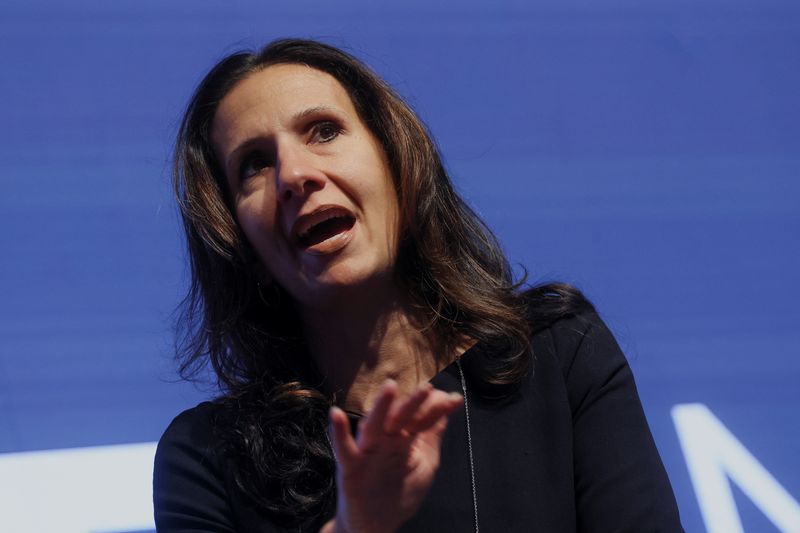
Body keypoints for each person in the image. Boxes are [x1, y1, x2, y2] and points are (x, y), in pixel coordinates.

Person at [153, 38, 684, 532]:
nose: (294, 174)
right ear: (236, 238)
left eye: (324, 130)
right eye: (255, 164)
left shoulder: (560, 355)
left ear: (397, 161)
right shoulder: (208, 458)